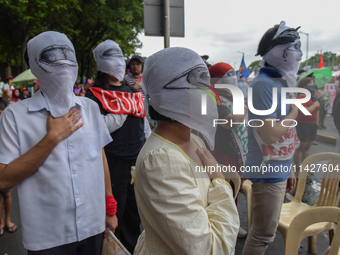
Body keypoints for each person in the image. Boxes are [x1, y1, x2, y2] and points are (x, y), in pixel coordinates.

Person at [0, 31, 118, 255]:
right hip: (47, 236)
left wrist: (109, 206)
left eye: (67, 55)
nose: (62, 63)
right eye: (51, 56)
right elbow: (3, 180)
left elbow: (99, 157)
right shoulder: (14, 116)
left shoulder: (90, 108)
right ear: (34, 65)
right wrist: (51, 139)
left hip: (93, 226)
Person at [133, 47, 239, 255]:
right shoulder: (161, 160)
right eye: (195, 82)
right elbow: (211, 249)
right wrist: (220, 183)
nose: (207, 91)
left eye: (204, 80)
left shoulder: (193, 139)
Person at [242, 21, 300, 255]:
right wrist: (295, 111)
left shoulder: (279, 82)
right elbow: (269, 134)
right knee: (262, 234)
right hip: (267, 171)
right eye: (294, 47)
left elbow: (285, 136)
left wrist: (290, 169)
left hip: (278, 168)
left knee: (264, 231)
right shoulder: (263, 84)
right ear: (279, 51)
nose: (299, 53)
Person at [86, 39, 146, 253]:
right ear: (101, 63)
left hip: (137, 161)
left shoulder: (133, 91)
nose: (118, 62)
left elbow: (143, 125)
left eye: (120, 56)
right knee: (113, 219)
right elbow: (94, 131)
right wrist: (122, 111)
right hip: (111, 164)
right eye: (111, 57)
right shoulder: (93, 94)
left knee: (135, 215)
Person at [209, 62, 248, 238]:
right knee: (226, 191)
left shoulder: (228, 96)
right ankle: (225, 227)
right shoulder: (215, 99)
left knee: (234, 190)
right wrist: (243, 109)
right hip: (222, 153)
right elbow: (229, 122)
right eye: (228, 75)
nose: (233, 78)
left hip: (233, 151)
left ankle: (231, 223)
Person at [293, 77, 320, 167]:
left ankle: (305, 167)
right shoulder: (301, 97)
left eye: (313, 83)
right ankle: (298, 167)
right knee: (300, 147)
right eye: (310, 83)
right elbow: (305, 112)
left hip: (313, 124)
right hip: (303, 124)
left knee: (307, 147)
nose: (313, 85)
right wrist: (315, 104)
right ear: (304, 86)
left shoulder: (313, 97)